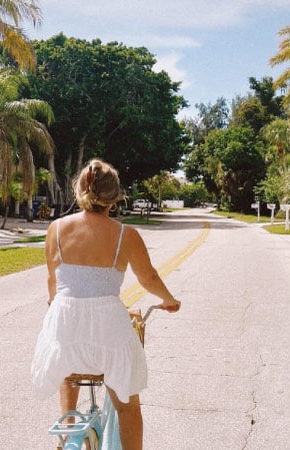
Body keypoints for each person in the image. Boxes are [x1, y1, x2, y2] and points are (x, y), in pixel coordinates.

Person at [31, 158, 181, 450]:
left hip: (66, 323)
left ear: (80, 189)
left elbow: (53, 281)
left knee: (67, 359)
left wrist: (54, 302)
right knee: (128, 407)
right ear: (115, 196)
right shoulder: (126, 235)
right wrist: (168, 299)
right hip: (108, 332)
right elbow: (148, 278)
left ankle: (71, 433)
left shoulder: (56, 230)